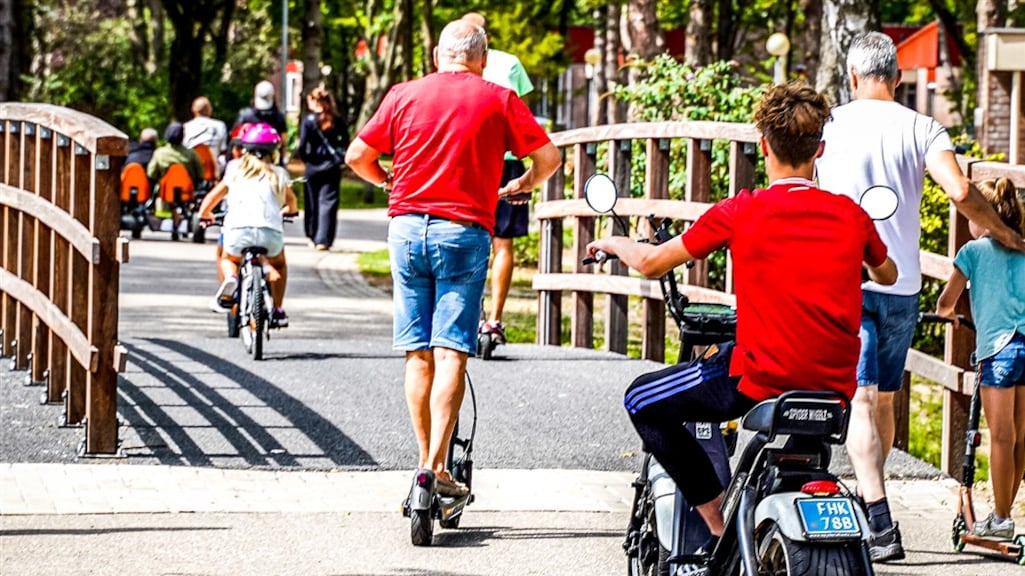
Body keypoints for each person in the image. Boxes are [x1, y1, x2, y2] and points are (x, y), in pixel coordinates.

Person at [587, 82, 898, 561]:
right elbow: (887, 273)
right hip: (833, 386)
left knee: (642, 400)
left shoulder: (743, 211)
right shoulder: (851, 215)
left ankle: (715, 522)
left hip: (760, 378)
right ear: (819, 150)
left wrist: (614, 243)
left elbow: (651, 262)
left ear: (764, 147)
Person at [815, 31, 1025, 562]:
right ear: (898, 77)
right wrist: (1005, 233)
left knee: (862, 400)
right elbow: (959, 190)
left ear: (852, 76)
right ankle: (873, 498)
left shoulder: (829, 123)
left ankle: (879, 520)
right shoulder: (922, 126)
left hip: (847, 280)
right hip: (902, 284)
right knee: (884, 399)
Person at [344, 19, 561, 497]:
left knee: (417, 352)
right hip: (463, 232)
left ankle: (422, 462)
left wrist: (387, 181)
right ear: (482, 59)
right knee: (451, 352)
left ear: (437, 56)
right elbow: (549, 159)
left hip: (406, 230)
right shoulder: (499, 98)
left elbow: (357, 155)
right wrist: (522, 184)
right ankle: (436, 467)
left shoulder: (403, 94)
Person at [936, 177, 1025, 540]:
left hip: (998, 351)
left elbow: (945, 302)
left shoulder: (972, 252)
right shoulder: (1022, 248)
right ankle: (1003, 513)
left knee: (1001, 437)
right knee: (1020, 438)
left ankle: (1001, 519)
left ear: (983, 216)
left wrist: (949, 314)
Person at [461, 11, 536, 346]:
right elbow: (523, 115)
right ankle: (494, 320)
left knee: (468, 235)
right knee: (502, 242)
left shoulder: (452, 65)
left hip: (469, 161)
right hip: (507, 162)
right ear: (486, 38)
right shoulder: (510, 63)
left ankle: (472, 314)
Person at [197, 123, 298, 328]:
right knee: (279, 265)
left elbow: (211, 199)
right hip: (270, 233)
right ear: (274, 151)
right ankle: (277, 310)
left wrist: (205, 215)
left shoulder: (234, 170)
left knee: (228, 258)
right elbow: (292, 203)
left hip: (237, 231)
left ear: (245, 149)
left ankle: (231, 278)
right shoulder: (279, 173)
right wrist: (286, 212)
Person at [297, 87, 350, 251]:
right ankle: (324, 239)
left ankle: (312, 235)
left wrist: (306, 160)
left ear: (314, 101)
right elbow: (346, 140)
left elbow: (302, 145)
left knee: (311, 202)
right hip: (332, 166)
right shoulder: (336, 119)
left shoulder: (308, 120)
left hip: (313, 166)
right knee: (328, 202)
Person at [234, 80, 289, 163]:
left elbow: (235, 140)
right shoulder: (278, 117)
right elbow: (283, 141)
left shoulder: (245, 115)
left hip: (248, 162)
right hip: (270, 161)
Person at [146, 121, 204, 186]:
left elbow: (151, 173)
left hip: (166, 190)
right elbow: (200, 174)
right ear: (182, 136)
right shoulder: (191, 153)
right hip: (188, 190)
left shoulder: (159, 153)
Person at [183, 96, 229, 172]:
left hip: (191, 169)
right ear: (209, 110)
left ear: (193, 110)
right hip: (212, 169)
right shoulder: (220, 125)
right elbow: (223, 149)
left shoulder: (185, 127)